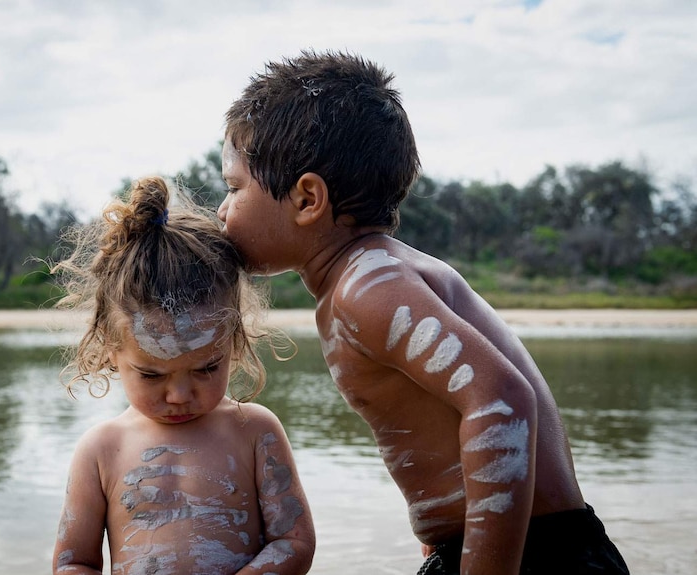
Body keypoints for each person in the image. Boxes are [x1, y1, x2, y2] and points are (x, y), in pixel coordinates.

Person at [218, 50, 629, 575]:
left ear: (307, 199)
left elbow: (501, 402)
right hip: (529, 543)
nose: (224, 210)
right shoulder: (375, 273)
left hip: (542, 555)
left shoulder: (364, 289)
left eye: (234, 187)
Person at [50, 176, 316, 574]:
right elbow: (74, 562)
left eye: (207, 368)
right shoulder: (102, 450)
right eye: (152, 375)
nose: (179, 394)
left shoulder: (254, 431)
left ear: (234, 342)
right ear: (111, 348)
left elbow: (294, 542)